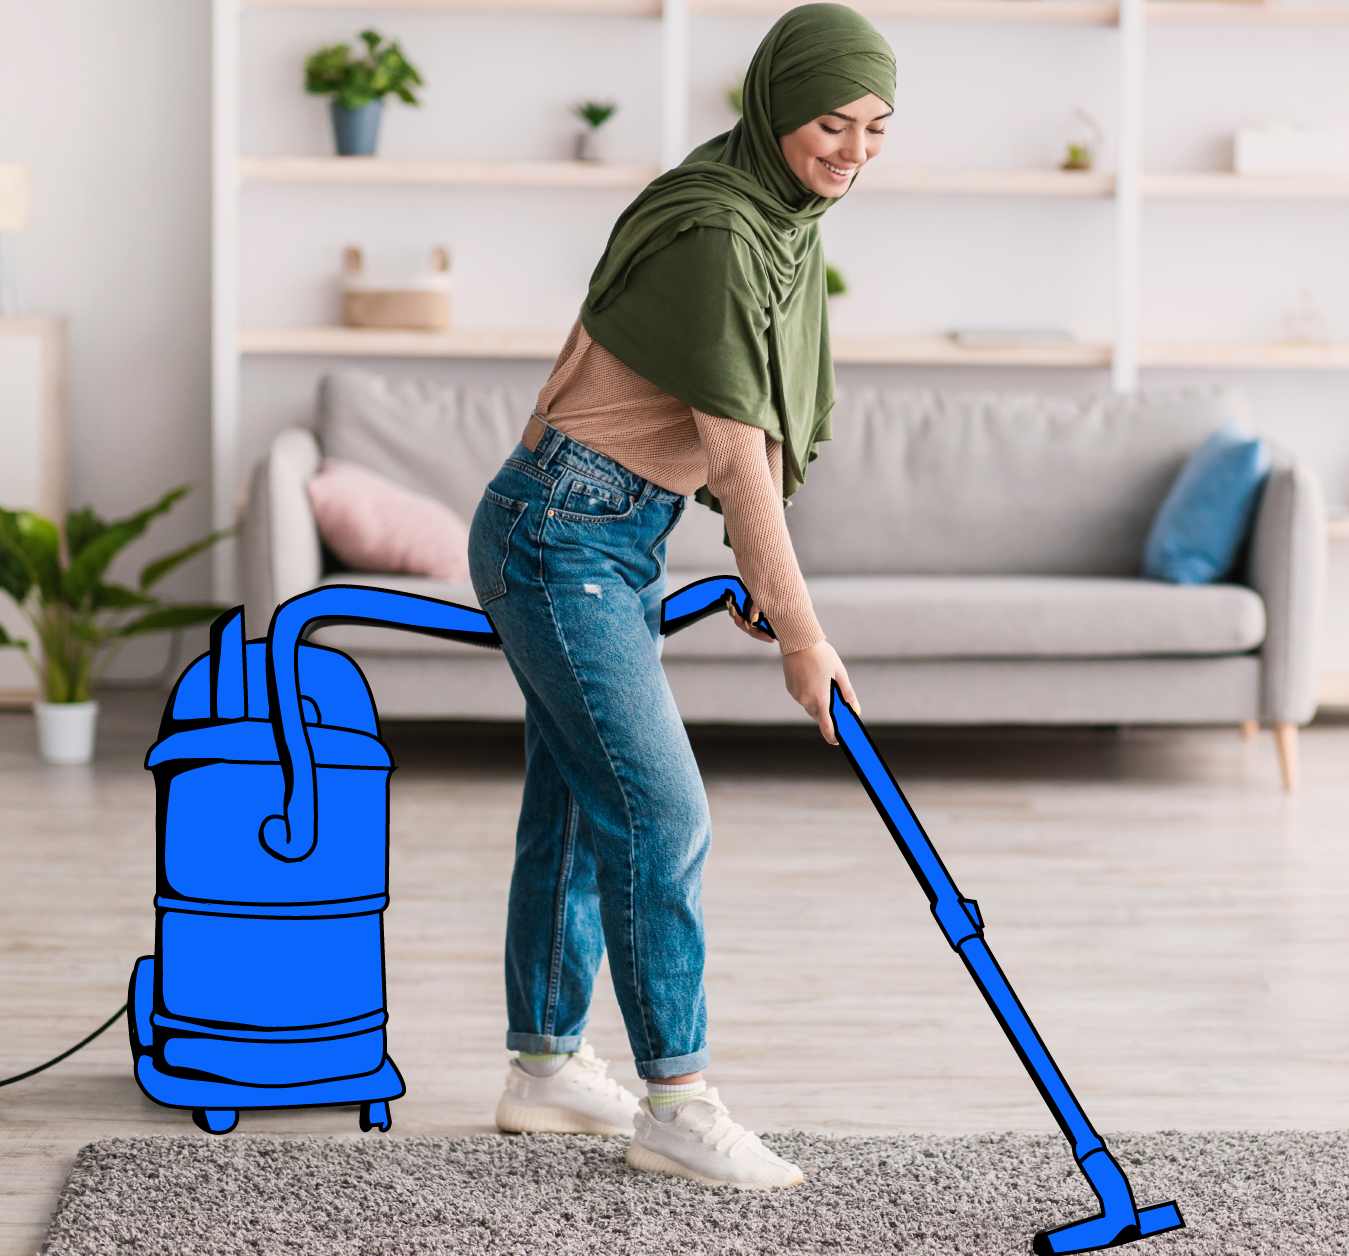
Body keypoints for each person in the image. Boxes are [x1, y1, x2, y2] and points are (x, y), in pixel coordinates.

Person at [463, 4, 893, 1189]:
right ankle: (679, 1100)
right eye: (830, 122)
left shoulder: (762, 212)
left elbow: (681, 435)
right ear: (773, 107)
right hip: (561, 533)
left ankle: (545, 1066)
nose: (852, 150)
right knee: (662, 812)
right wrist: (803, 631)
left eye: (876, 127)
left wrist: (743, 573)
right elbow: (737, 449)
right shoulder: (718, 229)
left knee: (573, 806)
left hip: (598, 530)